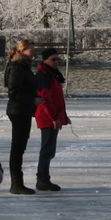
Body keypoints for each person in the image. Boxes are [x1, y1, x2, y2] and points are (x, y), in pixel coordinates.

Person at [34, 47, 71, 191]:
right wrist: (54, 117)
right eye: (53, 59)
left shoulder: (51, 74)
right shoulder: (44, 76)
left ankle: (43, 178)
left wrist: (63, 116)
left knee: (50, 150)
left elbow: (56, 99)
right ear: (45, 60)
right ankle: (42, 179)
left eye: (57, 59)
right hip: (47, 117)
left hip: (52, 116)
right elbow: (45, 99)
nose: (56, 62)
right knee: (47, 149)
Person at [4, 39, 37, 195]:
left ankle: (17, 183)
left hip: (23, 110)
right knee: (17, 148)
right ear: (22, 50)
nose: (33, 51)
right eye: (30, 49)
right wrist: (33, 99)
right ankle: (16, 184)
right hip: (18, 110)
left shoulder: (23, 66)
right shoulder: (17, 67)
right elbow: (14, 92)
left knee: (20, 147)